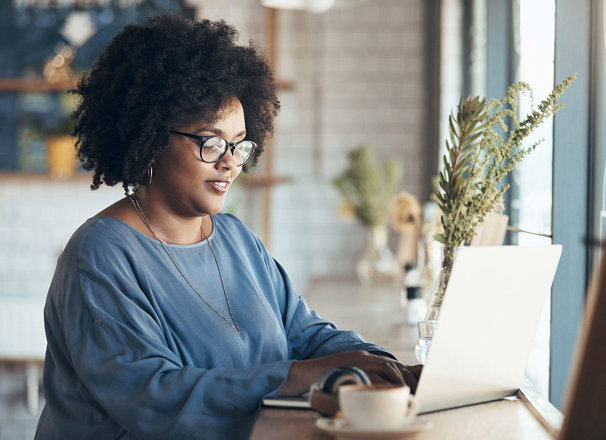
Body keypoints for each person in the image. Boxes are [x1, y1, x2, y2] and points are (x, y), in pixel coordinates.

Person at [35, 14, 421, 440]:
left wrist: (387, 365)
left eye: (240, 143)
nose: (231, 161)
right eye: (210, 140)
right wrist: (301, 375)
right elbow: (154, 397)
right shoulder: (100, 254)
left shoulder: (236, 239)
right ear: (149, 138)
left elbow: (308, 335)